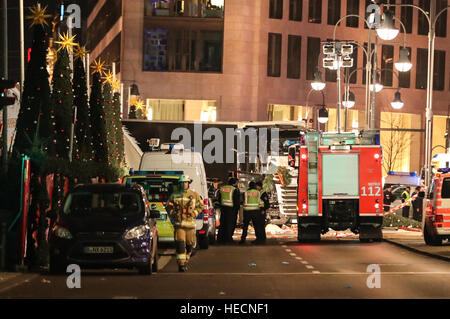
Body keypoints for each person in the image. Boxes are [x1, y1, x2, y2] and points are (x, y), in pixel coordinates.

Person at [165, 175, 204, 272]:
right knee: (180, 244)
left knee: (189, 245)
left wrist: (194, 213)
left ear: (188, 183)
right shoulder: (174, 195)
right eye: (182, 183)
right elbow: (168, 206)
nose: (184, 184)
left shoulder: (194, 195)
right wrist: (173, 214)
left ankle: (186, 259)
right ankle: (181, 264)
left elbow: (201, 206)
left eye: (185, 182)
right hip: (179, 225)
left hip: (190, 225)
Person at [217, 178, 240, 244]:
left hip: (223, 208)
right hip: (231, 209)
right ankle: (228, 239)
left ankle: (220, 238)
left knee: (223, 223)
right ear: (234, 183)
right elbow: (236, 201)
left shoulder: (222, 188)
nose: (237, 184)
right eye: (237, 183)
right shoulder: (234, 189)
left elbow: (219, 198)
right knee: (230, 224)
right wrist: (236, 209)